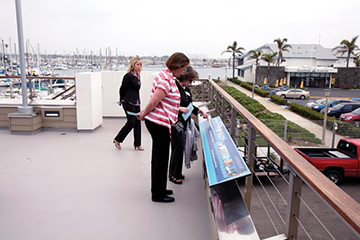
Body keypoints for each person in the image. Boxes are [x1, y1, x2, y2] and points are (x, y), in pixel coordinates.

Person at [138, 52, 189, 203]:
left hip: (160, 122)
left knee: (158, 158)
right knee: (161, 159)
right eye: (183, 68)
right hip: (159, 123)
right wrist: (143, 114)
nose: (184, 71)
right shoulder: (166, 80)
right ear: (177, 66)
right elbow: (154, 101)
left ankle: (159, 188)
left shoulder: (165, 76)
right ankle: (158, 194)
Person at [168, 66, 208, 184]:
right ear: (184, 77)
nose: (191, 83)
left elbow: (190, 106)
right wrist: (180, 109)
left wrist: (199, 111)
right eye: (190, 80)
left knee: (179, 146)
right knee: (178, 147)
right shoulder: (174, 87)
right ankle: (173, 174)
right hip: (176, 122)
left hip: (184, 121)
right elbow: (167, 103)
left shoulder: (186, 89)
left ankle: (176, 172)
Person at [113, 57, 144, 151]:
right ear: (133, 65)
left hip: (136, 103)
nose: (139, 66)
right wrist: (121, 100)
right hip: (128, 102)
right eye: (137, 64)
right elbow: (122, 89)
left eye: (140, 65)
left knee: (137, 123)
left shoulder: (138, 76)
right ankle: (117, 139)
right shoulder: (128, 76)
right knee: (131, 122)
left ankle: (137, 144)